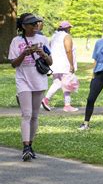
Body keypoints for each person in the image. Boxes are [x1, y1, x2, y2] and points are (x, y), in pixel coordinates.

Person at [8, 13, 52, 161]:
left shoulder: (43, 39)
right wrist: (24, 53)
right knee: (26, 114)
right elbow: (14, 64)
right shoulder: (16, 41)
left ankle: (31, 145)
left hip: (39, 80)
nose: (35, 26)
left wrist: (42, 54)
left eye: (36, 24)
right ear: (23, 26)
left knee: (34, 115)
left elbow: (50, 61)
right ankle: (25, 146)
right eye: (32, 24)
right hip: (23, 80)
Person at [42, 21, 78, 112]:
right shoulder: (67, 36)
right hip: (65, 65)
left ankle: (46, 99)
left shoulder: (54, 37)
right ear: (67, 28)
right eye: (69, 28)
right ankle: (67, 105)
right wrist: (71, 65)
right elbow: (68, 50)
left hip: (55, 64)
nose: (70, 29)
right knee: (68, 85)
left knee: (57, 83)